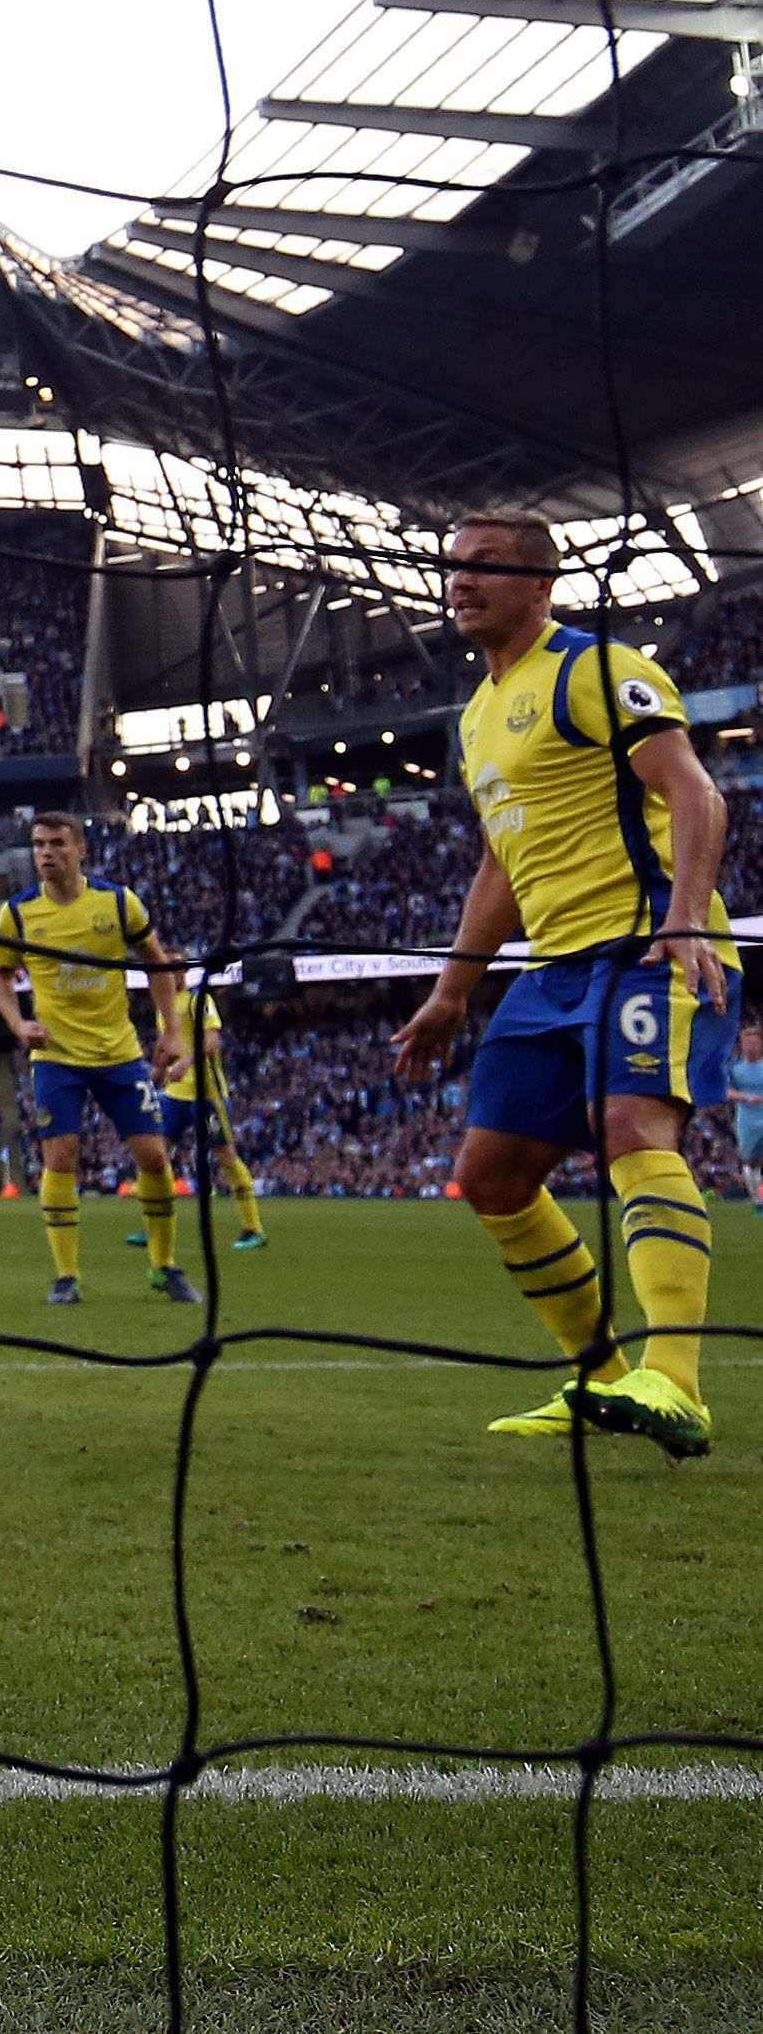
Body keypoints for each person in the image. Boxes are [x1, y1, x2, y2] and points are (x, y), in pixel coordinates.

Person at [388, 512, 732, 1458]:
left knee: (632, 1127)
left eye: (485, 567)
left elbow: (696, 793)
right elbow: (502, 868)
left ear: (542, 584)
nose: (460, 581)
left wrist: (688, 913)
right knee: (492, 1173)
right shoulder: (474, 715)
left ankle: (680, 1384)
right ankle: (605, 1378)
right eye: (453, 567)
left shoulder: (593, 668)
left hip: (645, 947)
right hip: (550, 972)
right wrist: (454, 992)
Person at [0, 812, 198, 1308]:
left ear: (81, 849)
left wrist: (171, 1032)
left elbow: (157, 962)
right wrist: (18, 1024)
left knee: (153, 1156)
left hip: (119, 1053)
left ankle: (163, 1266)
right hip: (56, 1059)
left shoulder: (118, 902)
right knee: (60, 1159)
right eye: (38, 844)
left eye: (57, 843)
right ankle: (66, 1276)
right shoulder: (16, 914)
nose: (46, 853)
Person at [126, 987, 267, 1253]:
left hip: (206, 1093)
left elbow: (212, 1041)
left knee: (226, 1156)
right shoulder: (164, 1005)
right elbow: (168, 1047)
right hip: (173, 1094)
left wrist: (185, 1064)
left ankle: (253, 1227)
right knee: (154, 1155)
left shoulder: (198, 1000)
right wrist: (158, 1070)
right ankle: (153, 1226)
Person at [727, 1026, 763, 1219]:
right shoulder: (735, 1068)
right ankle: (759, 1200)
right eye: (747, 1042)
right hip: (747, 1121)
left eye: (754, 1042)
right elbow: (727, 1091)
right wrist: (747, 1097)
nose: (751, 1046)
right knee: (751, 1164)